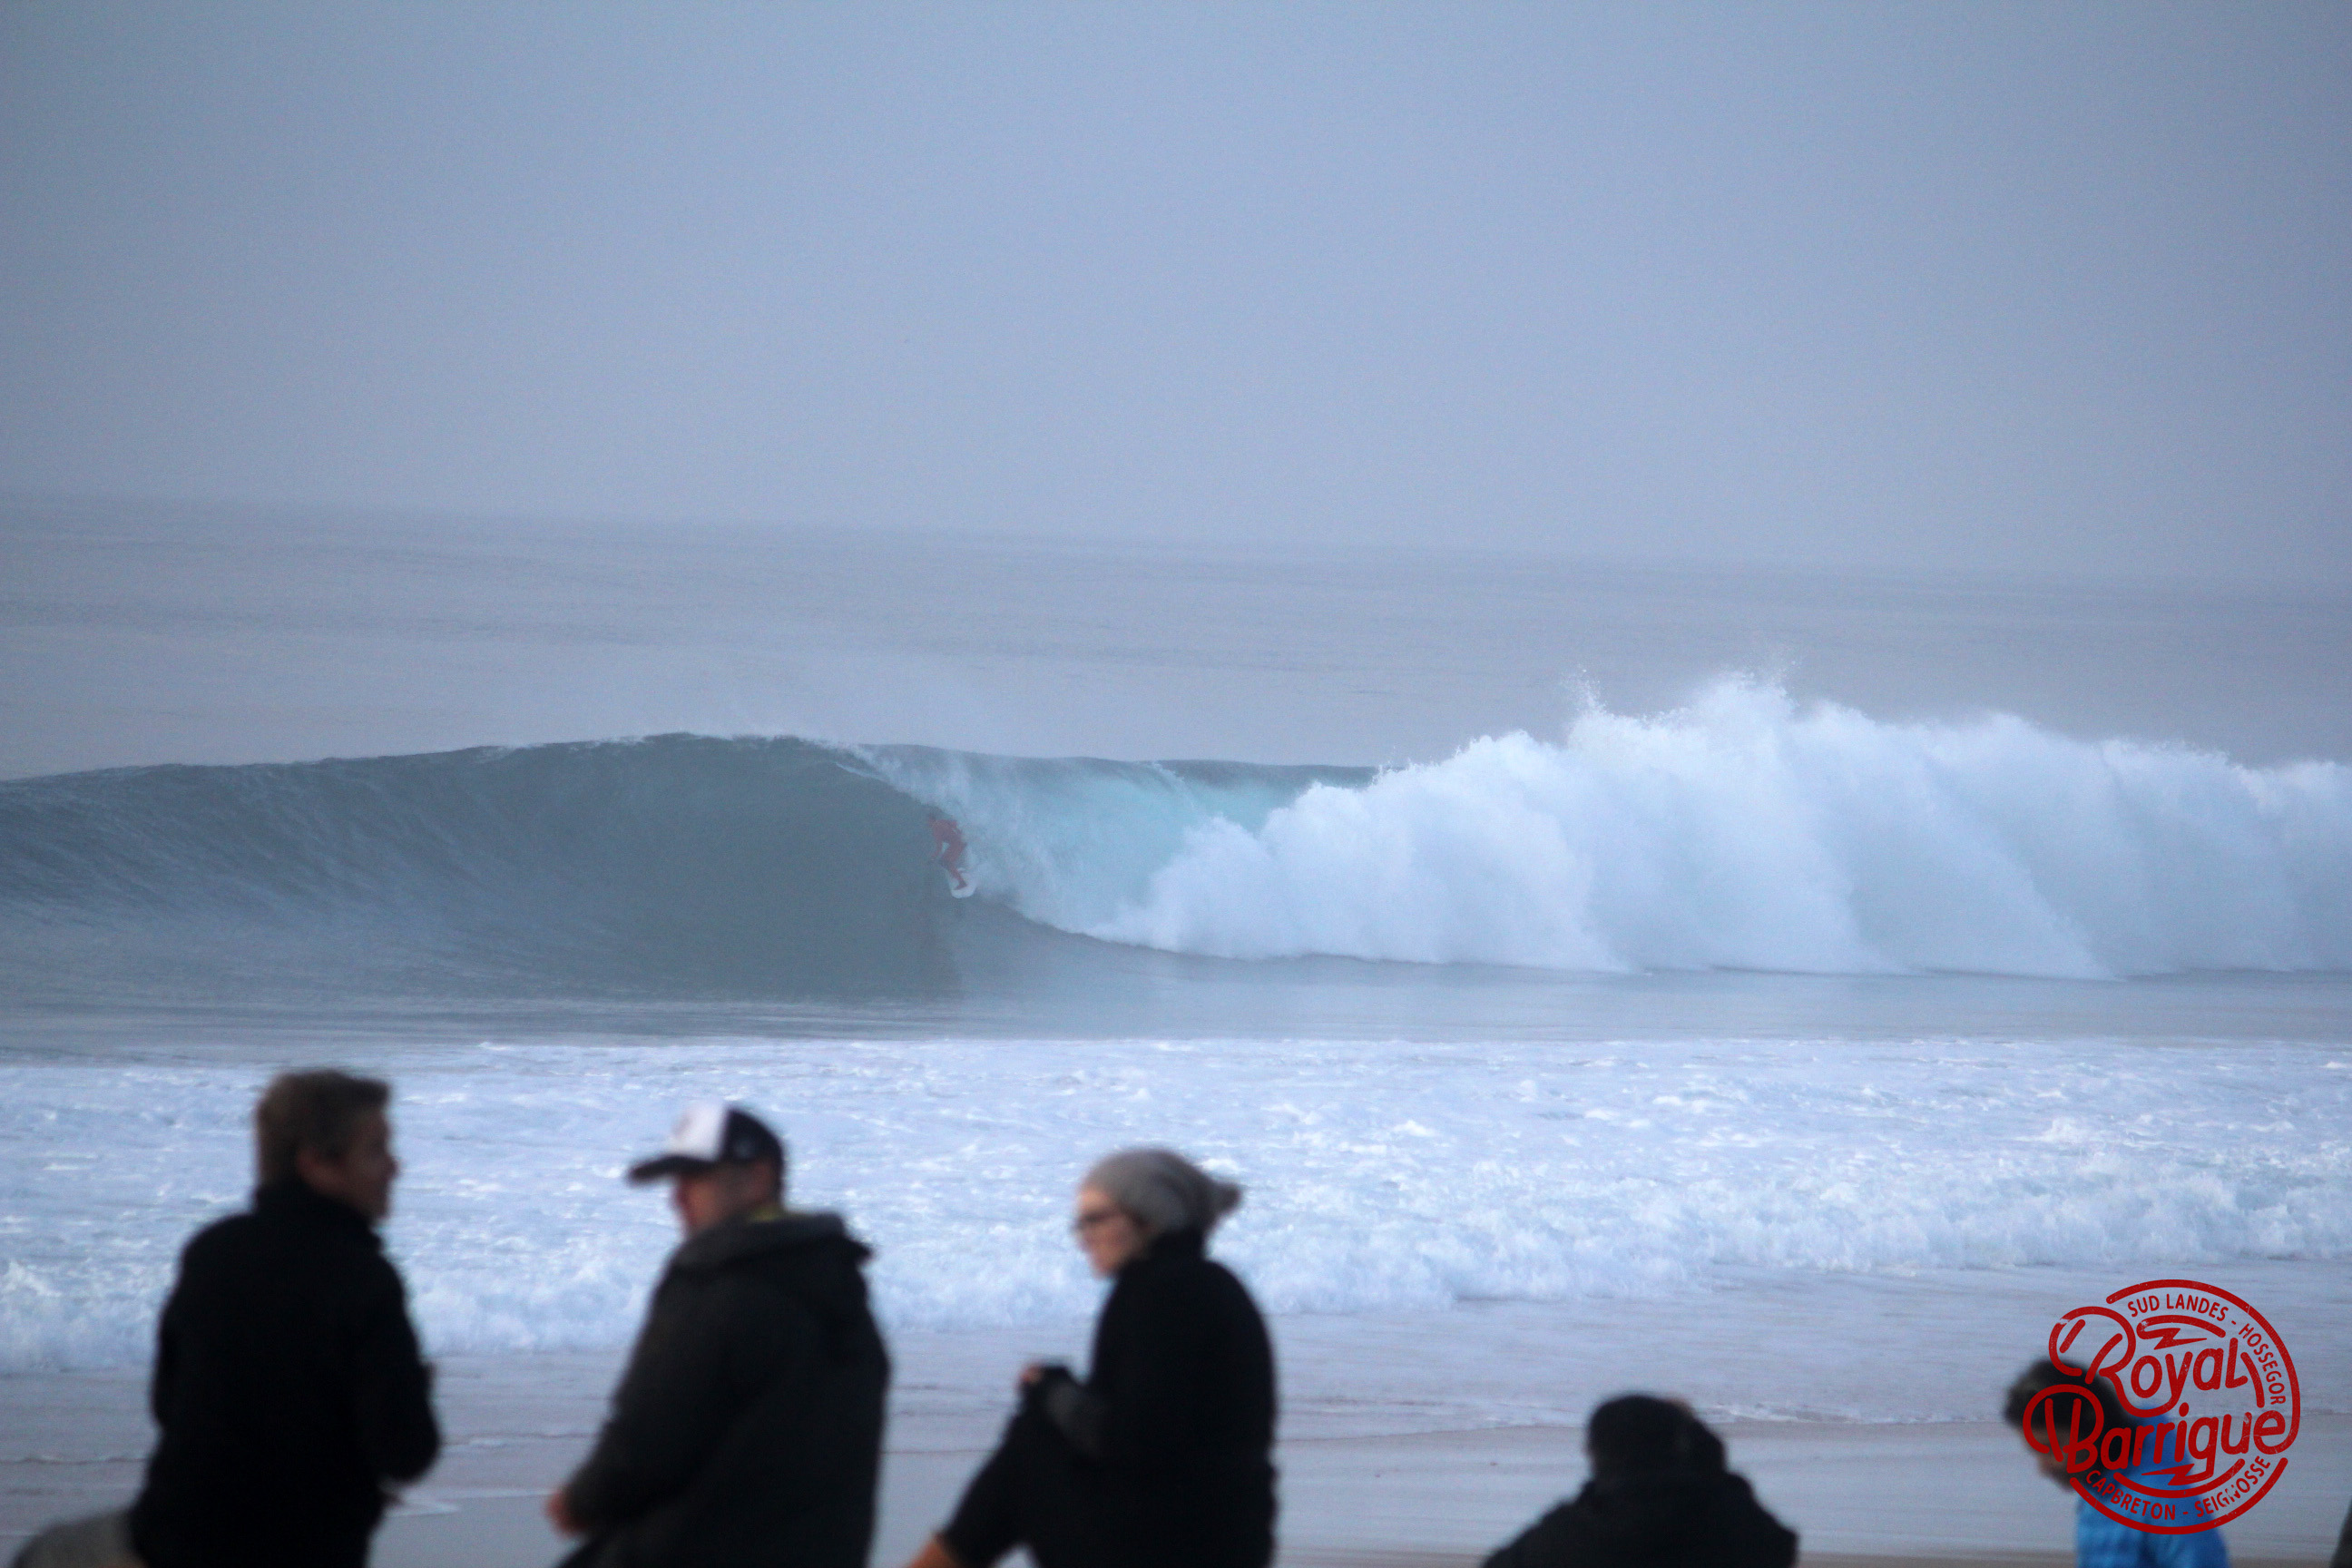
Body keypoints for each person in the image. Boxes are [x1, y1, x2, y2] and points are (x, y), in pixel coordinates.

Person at [548, 1102, 889, 1568]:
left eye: (696, 1179)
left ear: (758, 1178)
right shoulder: (842, 1289)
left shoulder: (718, 1285)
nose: (678, 1199)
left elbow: (646, 1439)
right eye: (676, 1182)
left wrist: (582, 1501)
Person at [124, 1070, 440, 1568]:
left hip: (174, 1539)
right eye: (376, 1150)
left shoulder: (212, 1253)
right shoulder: (363, 1278)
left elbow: (169, 1405)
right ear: (316, 1164)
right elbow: (405, 1451)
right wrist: (414, 1388)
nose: (395, 1168)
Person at [906, 1148, 1277, 1568]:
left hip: (1179, 1547)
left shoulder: (1158, 1293)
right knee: (1043, 1429)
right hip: (1234, 1542)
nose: (1083, 1236)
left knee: (1033, 1443)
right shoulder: (1214, 1286)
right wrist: (1058, 1392)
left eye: (1095, 1219)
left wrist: (1051, 1393)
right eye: (1079, 1223)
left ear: (1147, 1218)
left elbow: (1132, 1442)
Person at [1482, 1395, 1797, 1568]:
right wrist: (1702, 1453)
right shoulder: (1728, 1526)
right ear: (1679, 1447)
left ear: (1595, 1453)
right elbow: (1779, 1547)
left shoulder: (1570, 1534)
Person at [2005, 1358, 2229, 1568]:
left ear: (2092, 1424)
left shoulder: (2162, 1501)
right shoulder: (2097, 1489)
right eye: (2036, 1452)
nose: (2043, 1469)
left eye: (2053, 1447)